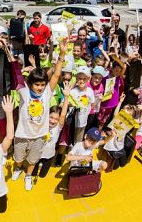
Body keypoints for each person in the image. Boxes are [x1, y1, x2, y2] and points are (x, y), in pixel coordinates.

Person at [11, 38, 68, 191]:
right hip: (22, 134)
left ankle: (28, 176)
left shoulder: (47, 93)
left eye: (43, 84)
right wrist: (7, 52)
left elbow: (55, 76)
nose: (40, 87)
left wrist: (61, 55)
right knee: (18, 158)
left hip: (39, 135)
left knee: (33, 159)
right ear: (30, 84)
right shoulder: (23, 92)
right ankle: (17, 168)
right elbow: (16, 72)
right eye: (37, 84)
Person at [32, 81, 70, 179]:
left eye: (56, 119)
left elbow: (63, 114)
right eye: (51, 117)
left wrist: (66, 97)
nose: (53, 121)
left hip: (49, 155)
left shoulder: (58, 126)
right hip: (37, 153)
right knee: (33, 173)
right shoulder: (43, 122)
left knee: (42, 175)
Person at [70, 66, 95, 143]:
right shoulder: (73, 91)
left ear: (88, 79)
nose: (81, 81)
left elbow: (93, 104)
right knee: (70, 136)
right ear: (76, 79)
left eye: (84, 79)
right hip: (72, 120)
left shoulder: (90, 91)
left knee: (79, 138)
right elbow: (68, 103)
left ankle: (76, 150)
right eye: (79, 78)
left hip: (83, 120)